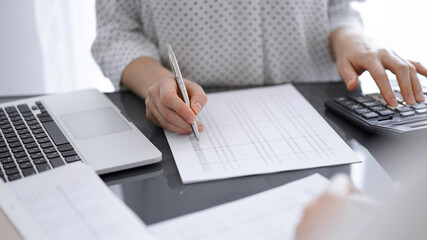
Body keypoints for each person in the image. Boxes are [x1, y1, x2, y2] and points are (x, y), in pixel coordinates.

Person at [92, 0, 427, 135]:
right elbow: (117, 33)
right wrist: (161, 83)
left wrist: (353, 40)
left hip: (320, 120)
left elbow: (339, 7)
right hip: (188, 123)